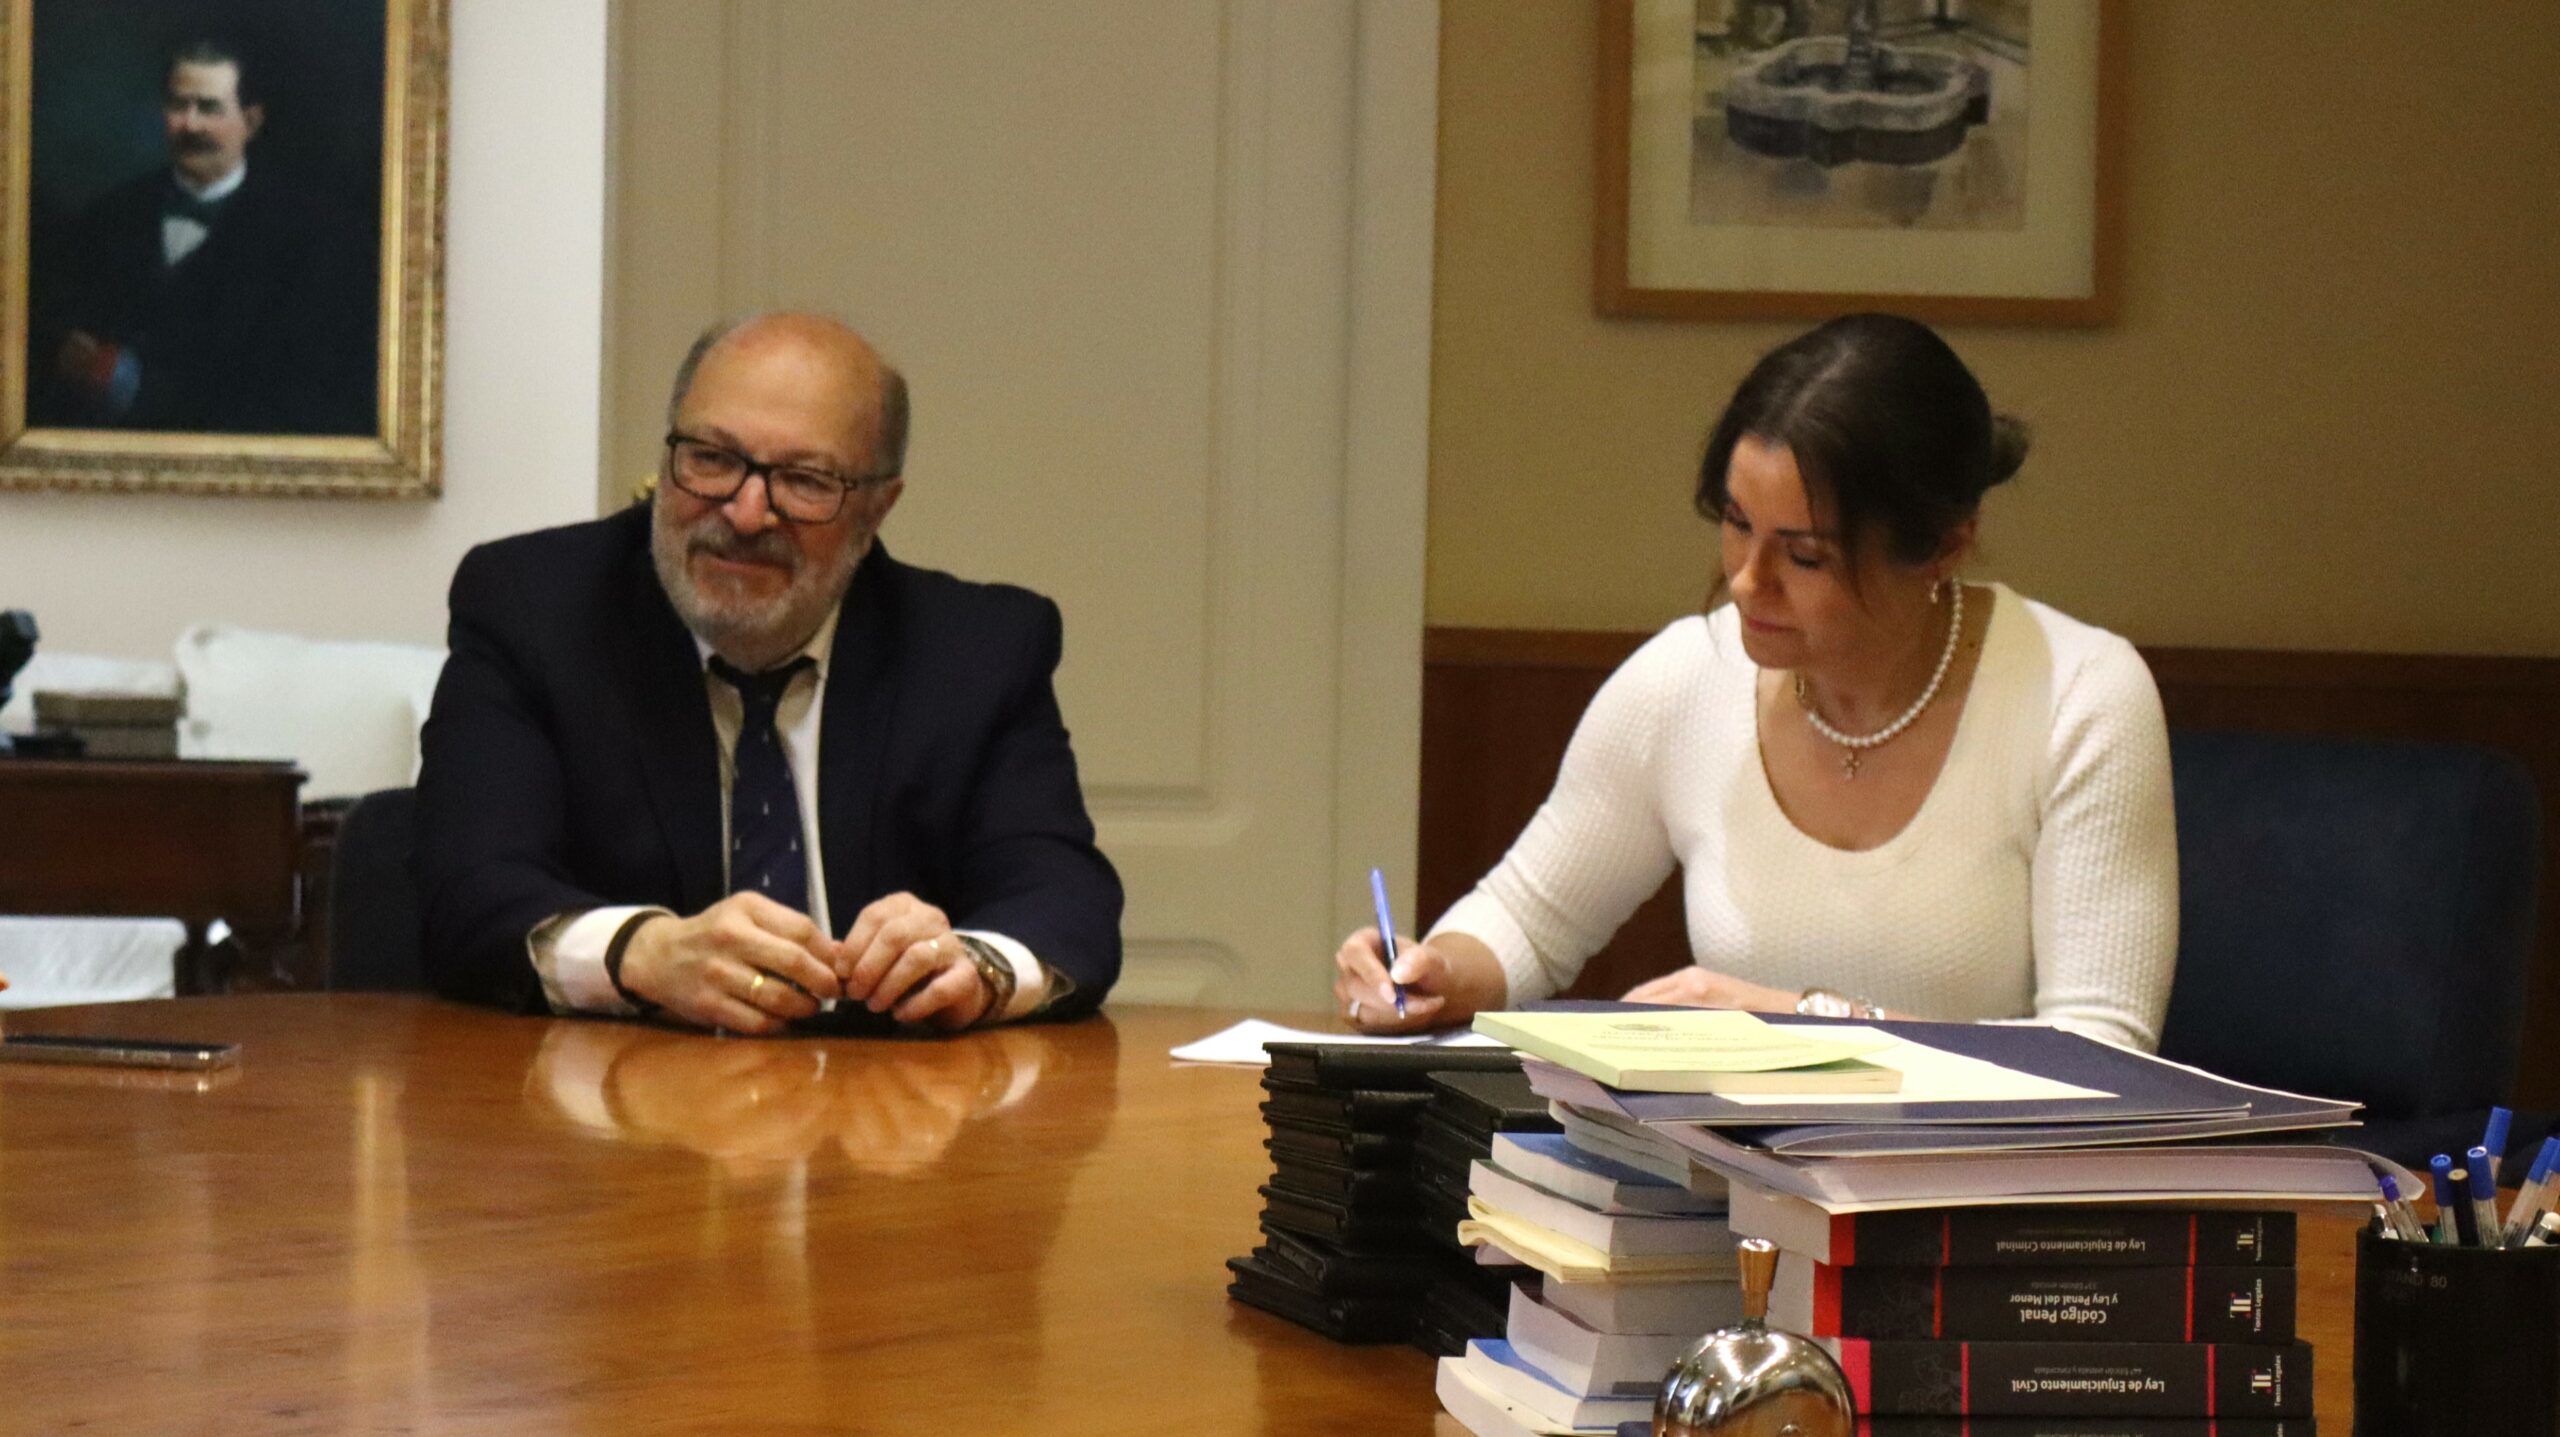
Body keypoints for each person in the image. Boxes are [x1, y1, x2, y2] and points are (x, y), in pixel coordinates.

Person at [1336, 314, 2176, 1051]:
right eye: (1737, 524)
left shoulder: (2080, 696)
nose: (1747, 579)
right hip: (1724, 1173)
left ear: (1944, 548)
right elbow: (1528, 917)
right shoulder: (1687, 678)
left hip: (1976, 1182)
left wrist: (1795, 1020)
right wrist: (1433, 972)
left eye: (1805, 555)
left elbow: (2103, 1052)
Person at [413, 312, 1123, 1034]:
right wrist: (643, 952)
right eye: (712, 459)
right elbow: (467, 892)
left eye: (804, 480)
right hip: (617, 1089)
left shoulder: (977, 650)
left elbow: (1066, 902)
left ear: (877, 508)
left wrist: (974, 967)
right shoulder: (534, 610)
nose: (747, 513)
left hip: (887, 1098)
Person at [27, 37, 374, 434]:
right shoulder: (110, 215)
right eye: (179, 106)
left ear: (251, 121)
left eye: (209, 108)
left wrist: (133, 385)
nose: (190, 125)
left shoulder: (309, 234)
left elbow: (305, 386)